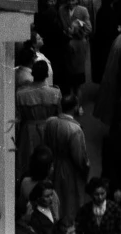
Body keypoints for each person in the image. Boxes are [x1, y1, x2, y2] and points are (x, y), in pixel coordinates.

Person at [40, 93, 90, 227]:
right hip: (68, 169)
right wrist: (85, 169)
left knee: (55, 198)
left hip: (52, 164)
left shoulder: (50, 122)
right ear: (75, 107)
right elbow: (79, 158)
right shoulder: (75, 130)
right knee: (69, 200)